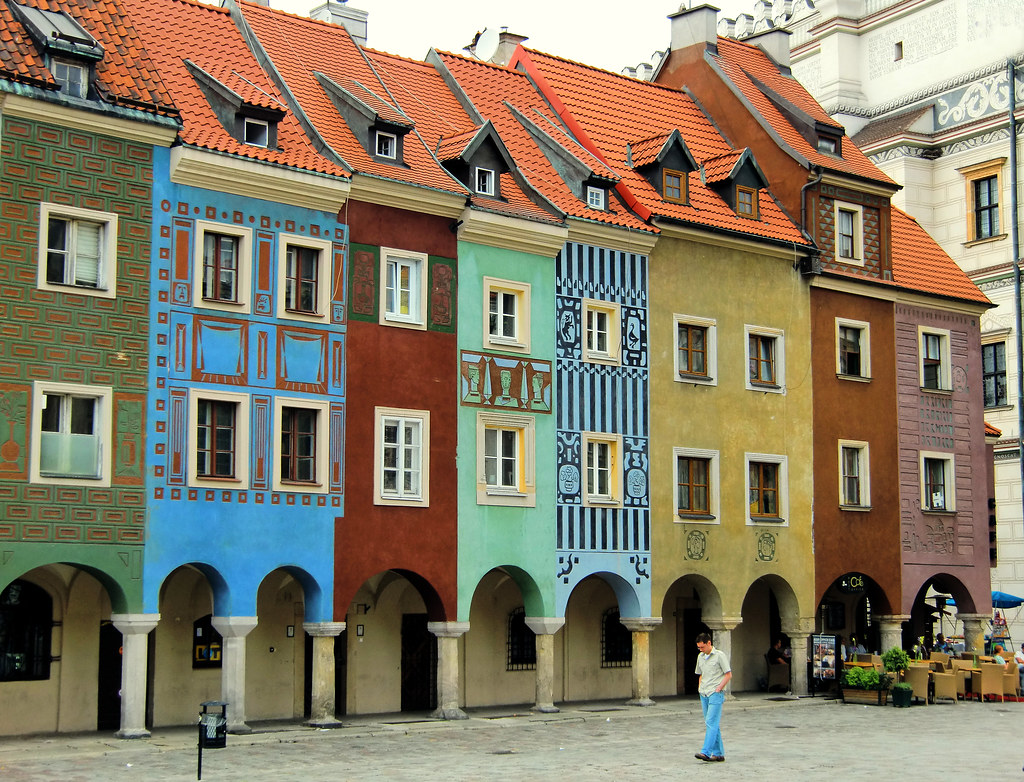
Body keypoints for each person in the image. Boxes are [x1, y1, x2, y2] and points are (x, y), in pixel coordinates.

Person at [695, 632, 731, 763]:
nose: (701, 649)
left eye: (702, 647)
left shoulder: (719, 656)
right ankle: (718, 753)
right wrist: (700, 687)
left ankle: (706, 752)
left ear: (709, 643)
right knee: (712, 723)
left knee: (711, 722)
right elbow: (700, 674)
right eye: (699, 647)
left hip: (715, 693)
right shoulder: (700, 657)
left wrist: (719, 688)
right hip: (704, 692)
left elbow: (728, 674)